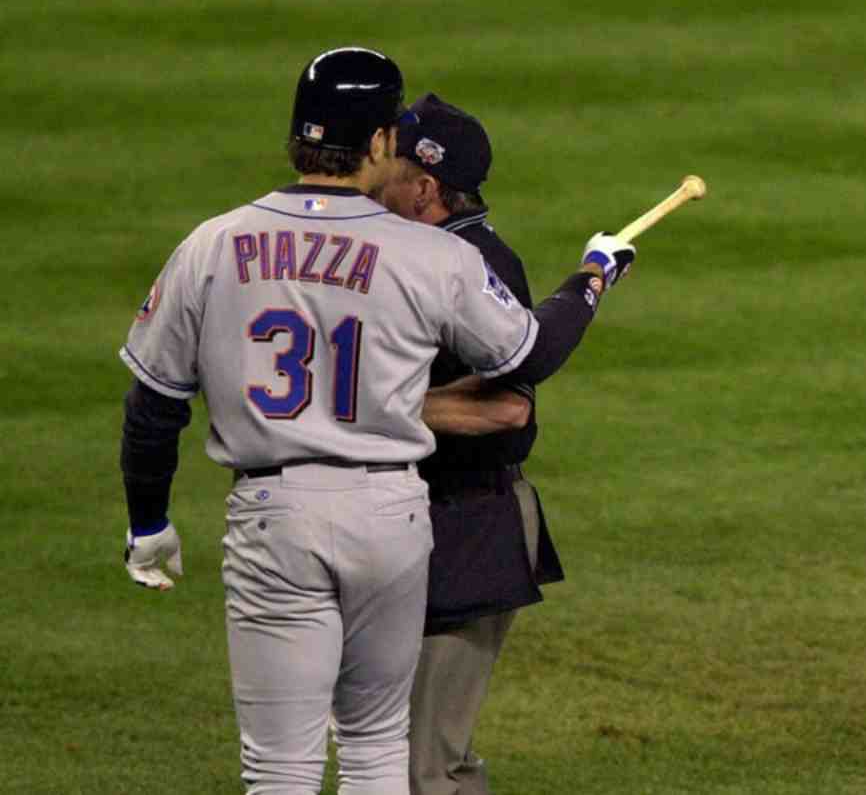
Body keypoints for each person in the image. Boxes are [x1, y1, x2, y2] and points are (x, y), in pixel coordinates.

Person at [118, 46, 635, 794]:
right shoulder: (430, 254)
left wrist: (147, 521)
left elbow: (153, 405)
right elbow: (528, 350)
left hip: (274, 515)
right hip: (392, 515)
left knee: (279, 766)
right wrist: (592, 278)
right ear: (381, 143)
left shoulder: (214, 242)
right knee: (376, 753)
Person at [375, 93, 591, 795]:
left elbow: (506, 407)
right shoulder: (394, 248)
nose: (369, 170)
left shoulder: (477, 264)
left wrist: (359, 409)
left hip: (467, 522)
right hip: (400, 519)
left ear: (425, 187)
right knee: (389, 757)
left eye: (387, 161)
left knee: (427, 766)